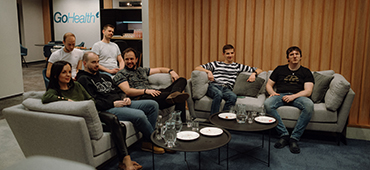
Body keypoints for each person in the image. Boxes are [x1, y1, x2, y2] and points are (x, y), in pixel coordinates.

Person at [42, 61, 142, 170]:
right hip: (81, 122)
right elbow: (46, 98)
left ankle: (123, 162)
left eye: (70, 72)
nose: (68, 75)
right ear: (56, 75)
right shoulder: (54, 91)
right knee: (114, 121)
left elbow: (91, 100)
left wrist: (82, 105)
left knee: (119, 125)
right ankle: (126, 162)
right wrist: (66, 100)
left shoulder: (76, 85)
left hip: (93, 115)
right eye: (64, 72)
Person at [76, 51, 166, 155]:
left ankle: (147, 141)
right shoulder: (83, 80)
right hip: (108, 108)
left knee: (152, 105)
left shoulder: (105, 77)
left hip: (121, 102)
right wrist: (113, 104)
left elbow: (118, 91)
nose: (96, 65)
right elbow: (93, 102)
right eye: (93, 62)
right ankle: (156, 141)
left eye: (97, 62)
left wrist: (125, 97)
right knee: (140, 115)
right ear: (85, 63)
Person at [113, 48, 189, 122]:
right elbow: (128, 91)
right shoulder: (120, 74)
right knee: (179, 98)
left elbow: (160, 70)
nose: (129, 61)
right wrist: (146, 91)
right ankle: (182, 122)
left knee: (182, 80)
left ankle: (175, 93)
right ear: (123, 60)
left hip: (153, 93)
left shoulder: (141, 70)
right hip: (141, 98)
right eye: (127, 59)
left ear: (136, 59)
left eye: (131, 59)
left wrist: (171, 71)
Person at [264, 46, 314, 154]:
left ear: (301, 57)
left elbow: (308, 91)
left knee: (309, 105)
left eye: (297, 54)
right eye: (292, 54)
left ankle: (294, 138)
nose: (294, 56)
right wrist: (272, 93)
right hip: (280, 95)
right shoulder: (280, 69)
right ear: (288, 58)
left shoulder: (306, 72)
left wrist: (293, 96)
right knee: (268, 103)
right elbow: (269, 84)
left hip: (299, 96)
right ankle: (284, 135)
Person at [195, 44, 263, 114]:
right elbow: (197, 68)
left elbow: (259, 70)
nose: (230, 55)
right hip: (214, 86)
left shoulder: (237, 66)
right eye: (227, 53)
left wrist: (254, 74)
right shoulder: (216, 64)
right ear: (223, 54)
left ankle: (223, 117)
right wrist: (208, 71)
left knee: (233, 97)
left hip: (227, 89)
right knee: (218, 94)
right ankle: (213, 119)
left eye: (232, 53)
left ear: (234, 53)